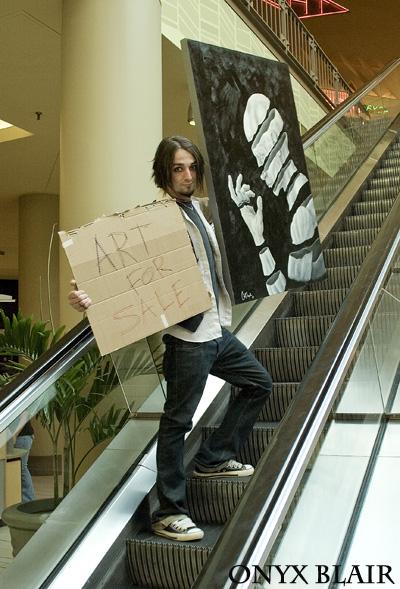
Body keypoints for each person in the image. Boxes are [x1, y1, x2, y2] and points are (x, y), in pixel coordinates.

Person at [68, 136, 272, 542]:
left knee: (259, 383)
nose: (187, 176)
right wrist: (88, 298)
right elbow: (120, 270)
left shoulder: (200, 211)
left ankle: (214, 458)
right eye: (178, 169)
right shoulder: (154, 221)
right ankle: (169, 512)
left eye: (192, 167)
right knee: (177, 422)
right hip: (186, 338)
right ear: (164, 173)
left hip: (216, 328)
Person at [14, 420, 36, 503]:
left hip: (21, 437)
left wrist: (14, 435)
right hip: (23, 437)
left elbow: (24, 415)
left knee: (22, 469)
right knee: (21, 469)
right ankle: (28, 501)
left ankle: (29, 501)